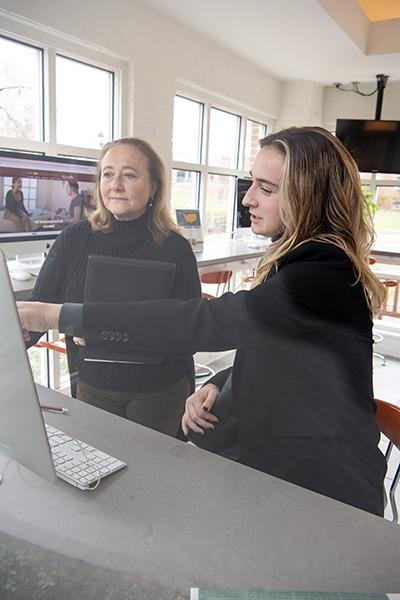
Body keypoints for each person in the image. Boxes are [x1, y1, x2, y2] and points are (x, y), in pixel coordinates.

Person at [18, 127, 387, 515]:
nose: (247, 199)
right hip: (286, 468)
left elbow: (205, 321)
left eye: (266, 187)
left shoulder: (318, 270)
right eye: (251, 184)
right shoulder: (304, 261)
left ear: (307, 194)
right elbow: (280, 348)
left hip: (323, 484)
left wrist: (58, 314)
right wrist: (220, 381)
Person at [26, 137, 201, 437]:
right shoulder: (73, 240)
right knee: (98, 475)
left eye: (129, 175)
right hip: (93, 385)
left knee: (151, 476)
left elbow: (191, 332)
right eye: (108, 174)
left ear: (154, 187)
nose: (116, 184)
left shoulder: (175, 249)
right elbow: (38, 310)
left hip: (159, 391)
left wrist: (96, 326)